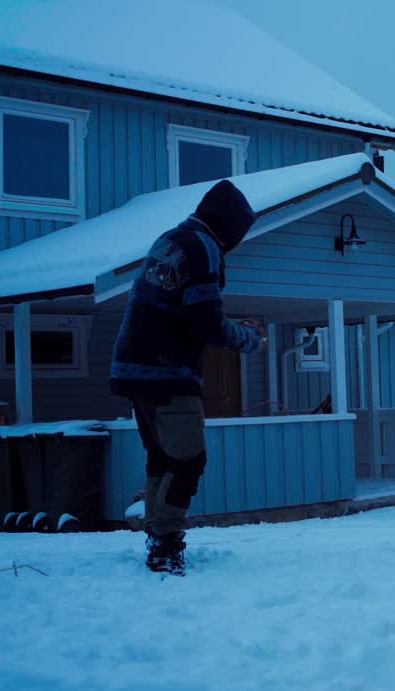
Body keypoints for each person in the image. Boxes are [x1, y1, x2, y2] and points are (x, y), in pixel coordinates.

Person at [110, 179, 266, 576]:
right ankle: (164, 544)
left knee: (162, 456)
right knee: (190, 460)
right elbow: (207, 324)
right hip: (167, 370)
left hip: (132, 366)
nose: (239, 241)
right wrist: (248, 338)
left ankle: (155, 533)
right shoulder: (205, 248)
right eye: (240, 232)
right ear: (228, 224)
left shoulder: (173, 239)